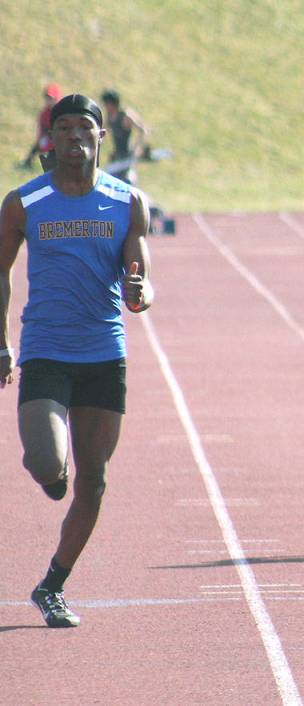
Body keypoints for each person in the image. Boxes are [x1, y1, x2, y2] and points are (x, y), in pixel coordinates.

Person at [0, 94, 154, 629]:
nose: (73, 137)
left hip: (103, 355)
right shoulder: (24, 202)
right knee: (51, 468)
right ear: (52, 138)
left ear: (99, 136)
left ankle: (53, 585)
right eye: (62, 128)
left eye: (83, 128)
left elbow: (140, 278)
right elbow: (2, 272)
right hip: (45, 350)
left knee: (93, 482)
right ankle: (48, 467)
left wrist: (139, 292)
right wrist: (1, 342)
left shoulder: (126, 201)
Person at [100, 90, 150, 185]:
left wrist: (137, 148)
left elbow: (143, 130)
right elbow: (102, 131)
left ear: (113, 103)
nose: (105, 106)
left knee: (127, 182)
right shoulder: (109, 116)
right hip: (117, 155)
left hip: (127, 155)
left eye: (107, 104)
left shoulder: (125, 115)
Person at [20, 83, 62, 172]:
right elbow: (42, 131)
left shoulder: (62, 113)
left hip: (60, 142)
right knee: (38, 146)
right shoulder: (44, 113)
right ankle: (27, 163)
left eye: (51, 98)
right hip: (49, 140)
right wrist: (42, 141)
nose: (48, 101)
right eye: (47, 98)